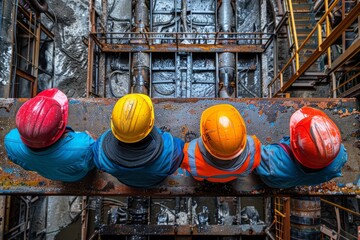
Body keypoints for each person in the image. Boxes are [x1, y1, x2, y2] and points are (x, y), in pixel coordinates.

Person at [92, 93, 185, 188]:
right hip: (153, 182)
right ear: (150, 122)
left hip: (127, 182)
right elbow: (181, 152)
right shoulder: (171, 150)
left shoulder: (100, 151)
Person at [4, 88, 95, 182]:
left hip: (48, 173)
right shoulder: (84, 146)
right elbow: (92, 162)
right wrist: (89, 138)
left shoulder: (10, 140)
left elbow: (20, 162)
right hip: (75, 176)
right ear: (61, 125)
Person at [255, 106, 348, 188]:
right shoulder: (340, 156)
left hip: (274, 182)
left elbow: (248, 151)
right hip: (299, 181)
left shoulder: (274, 161)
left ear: (296, 145)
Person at [181, 104, 261, 183]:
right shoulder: (253, 146)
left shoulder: (191, 155)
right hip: (233, 178)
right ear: (243, 130)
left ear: (205, 138)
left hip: (209, 179)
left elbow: (198, 178)